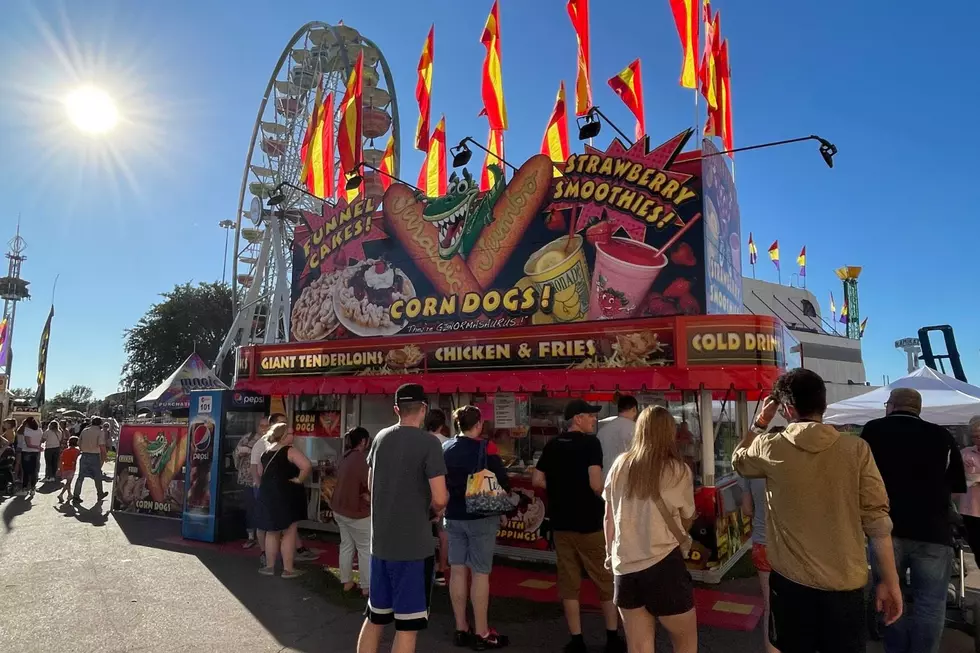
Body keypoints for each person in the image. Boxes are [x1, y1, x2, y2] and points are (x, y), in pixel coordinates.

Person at [732, 369, 903, 653]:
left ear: (786, 409)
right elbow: (877, 524)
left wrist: (761, 422)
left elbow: (739, 460)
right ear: (823, 404)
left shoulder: (769, 447)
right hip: (845, 588)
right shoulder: (857, 449)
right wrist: (889, 580)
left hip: (790, 586)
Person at [862, 388, 967, 653]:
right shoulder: (942, 436)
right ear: (918, 409)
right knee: (931, 603)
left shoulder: (873, 431)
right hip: (933, 530)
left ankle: (896, 649)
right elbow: (956, 486)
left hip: (886, 530)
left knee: (888, 595)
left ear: (892, 405)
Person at [358, 383, 449, 653]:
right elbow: (441, 497)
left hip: (381, 545)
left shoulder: (380, 437)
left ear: (397, 409)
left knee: (375, 617)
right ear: (424, 408)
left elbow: (371, 486)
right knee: (407, 627)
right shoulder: (429, 443)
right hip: (413, 548)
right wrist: (436, 510)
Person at [533, 399, 624, 653]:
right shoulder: (590, 444)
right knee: (605, 580)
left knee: (569, 583)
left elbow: (537, 479)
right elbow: (596, 483)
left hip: (561, 523)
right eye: (590, 416)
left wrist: (560, 488)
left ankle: (576, 639)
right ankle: (612, 637)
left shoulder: (552, 445)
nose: (594, 420)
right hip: (590, 523)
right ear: (577, 418)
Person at [603, 406, 697, 653]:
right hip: (664, 564)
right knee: (685, 645)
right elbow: (688, 515)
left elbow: (608, 517)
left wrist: (609, 553)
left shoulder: (620, 465)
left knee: (638, 647)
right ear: (670, 432)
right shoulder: (678, 470)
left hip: (625, 567)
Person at [442, 405, 510, 650]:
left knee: (457, 571)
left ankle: (461, 628)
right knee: (480, 573)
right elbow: (502, 479)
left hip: (454, 515)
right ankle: (482, 631)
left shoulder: (445, 448)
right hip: (481, 515)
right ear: (479, 424)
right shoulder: (486, 447)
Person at [250, 413, 317, 568]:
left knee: (272, 530)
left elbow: (259, 471)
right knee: (288, 530)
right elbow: (306, 465)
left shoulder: (267, 451)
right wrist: (299, 479)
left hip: (269, 493)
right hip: (284, 495)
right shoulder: (288, 450)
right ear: (283, 435)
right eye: (290, 432)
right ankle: (288, 568)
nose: (293, 435)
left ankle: (269, 565)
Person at [739, 475, 779, 653]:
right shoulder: (794, 460)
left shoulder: (753, 467)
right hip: (792, 548)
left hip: (762, 545)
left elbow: (747, 509)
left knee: (770, 607)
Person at [332, 426, 372, 597]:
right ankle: (367, 586)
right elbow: (370, 484)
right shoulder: (362, 460)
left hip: (339, 508)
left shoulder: (344, 457)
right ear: (363, 441)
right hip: (356, 511)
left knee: (346, 545)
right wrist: (367, 495)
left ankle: (347, 581)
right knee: (365, 548)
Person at [235, 415, 270, 550]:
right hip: (247, 480)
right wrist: (241, 452)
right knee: (250, 508)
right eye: (262, 426)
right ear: (257, 427)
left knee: (263, 509)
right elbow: (236, 453)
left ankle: (266, 537)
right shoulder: (248, 437)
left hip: (265, 481)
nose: (264, 429)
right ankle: (250, 536)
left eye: (267, 426)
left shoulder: (272, 441)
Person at [425, 407, 451, 586]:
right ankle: (441, 571)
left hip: (421, 494)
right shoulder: (448, 444)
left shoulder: (418, 441)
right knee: (443, 536)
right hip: (442, 494)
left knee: (422, 534)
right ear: (442, 425)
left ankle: (423, 571)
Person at [596, 395, 638, 480]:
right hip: (628, 480)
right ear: (634, 409)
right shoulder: (637, 429)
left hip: (606, 479)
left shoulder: (603, 430)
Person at [959, 416, 980, 566]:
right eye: (974, 436)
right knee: (977, 549)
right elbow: (957, 477)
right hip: (971, 510)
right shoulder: (965, 453)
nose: (977, 439)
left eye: (979, 435)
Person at [73, 416, 108, 503]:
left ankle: (76, 495)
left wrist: (83, 449)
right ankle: (100, 493)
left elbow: (79, 443)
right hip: (95, 455)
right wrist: (104, 456)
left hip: (84, 455)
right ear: (100, 423)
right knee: (97, 476)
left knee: (81, 477)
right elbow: (101, 445)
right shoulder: (100, 432)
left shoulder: (85, 430)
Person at [17, 417, 43, 498]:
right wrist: (38, 447)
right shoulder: (40, 430)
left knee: (26, 472)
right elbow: (40, 441)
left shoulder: (27, 431)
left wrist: (36, 447)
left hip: (27, 452)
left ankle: (24, 489)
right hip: (36, 453)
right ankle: (33, 488)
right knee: (34, 471)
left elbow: (28, 444)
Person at [57, 436, 81, 503]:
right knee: (68, 482)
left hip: (65, 467)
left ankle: (69, 494)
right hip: (71, 468)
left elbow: (60, 460)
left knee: (68, 482)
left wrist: (60, 469)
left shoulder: (65, 451)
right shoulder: (77, 451)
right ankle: (61, 494)